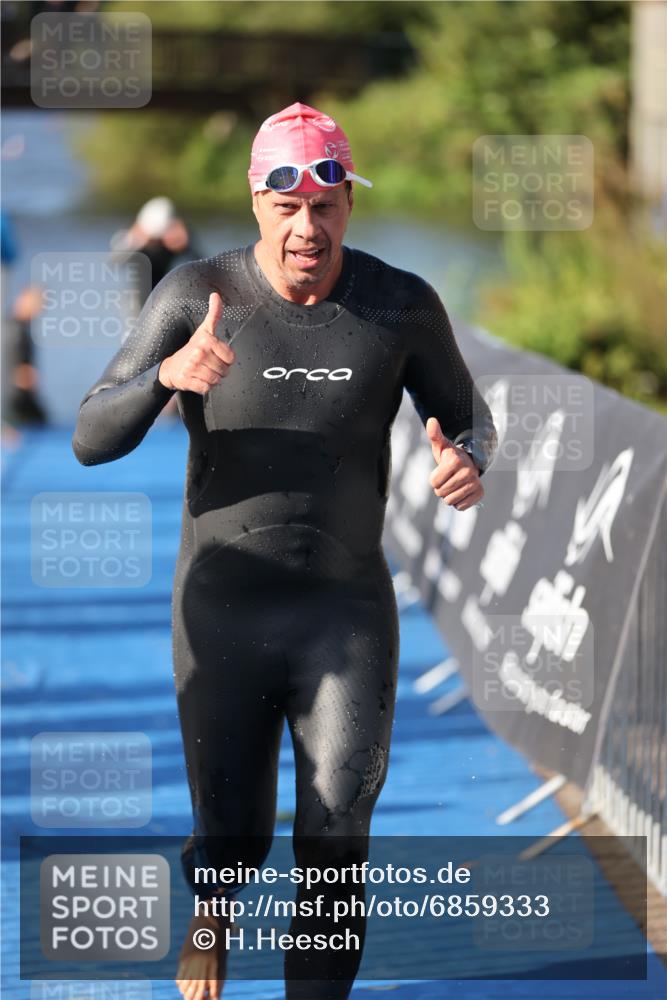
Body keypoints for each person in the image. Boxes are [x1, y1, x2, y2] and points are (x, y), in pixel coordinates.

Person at [72, 102, 497, 1000]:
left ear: (350, 200)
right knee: (233, 836)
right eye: (287, 205)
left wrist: (468, 461)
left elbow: (466, 418)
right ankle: (212, 914)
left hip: (344, 613)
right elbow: (88, 436)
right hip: (221, 611)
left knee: (337, 836)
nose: (308, 227)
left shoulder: (398, 304)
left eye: (328, 203)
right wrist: (164, 380)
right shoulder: (195, 294)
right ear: (257, 201)